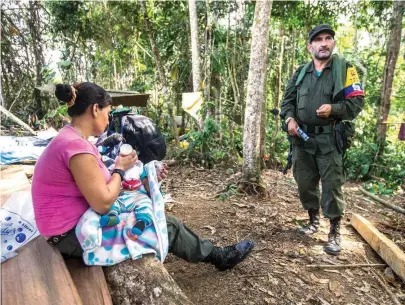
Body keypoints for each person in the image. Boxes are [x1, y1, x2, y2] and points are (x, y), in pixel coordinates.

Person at [32, 82, 254, 271]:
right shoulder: (76, 148)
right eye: (108, 113)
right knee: (165, 225)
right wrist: (119, 167)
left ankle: (212, 252)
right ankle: (218, 256)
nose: (109, 120)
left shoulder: (73, 140)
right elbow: (102, 203)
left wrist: (147, 177)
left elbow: (98, 183)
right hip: (69, 236)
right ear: (95, 110)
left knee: (144, 202)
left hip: (71, 225)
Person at [280, 25, 365, 255]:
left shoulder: (345, 69)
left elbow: (357, 103)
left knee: (331, 186)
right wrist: (289, 120)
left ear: (333, 44)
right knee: (305, 184)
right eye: (318, 40)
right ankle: (312, 220)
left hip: (329, 140)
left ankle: (334, 231)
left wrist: (334, 109)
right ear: (310, 46)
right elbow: (287, 103)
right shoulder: (300, 73)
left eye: (328, 38)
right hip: (302, 141)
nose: (323, 43)